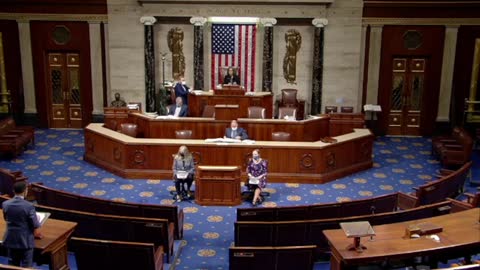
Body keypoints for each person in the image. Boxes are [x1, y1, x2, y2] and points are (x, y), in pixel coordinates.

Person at [2, 181, 43, 267]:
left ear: (13, 191)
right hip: (25, 241)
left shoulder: (5, 204)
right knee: (26, 266)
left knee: (12, 265)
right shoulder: (29, 206)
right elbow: (35, 224)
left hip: (11, 238)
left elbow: (6, 218)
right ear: (25, 191)